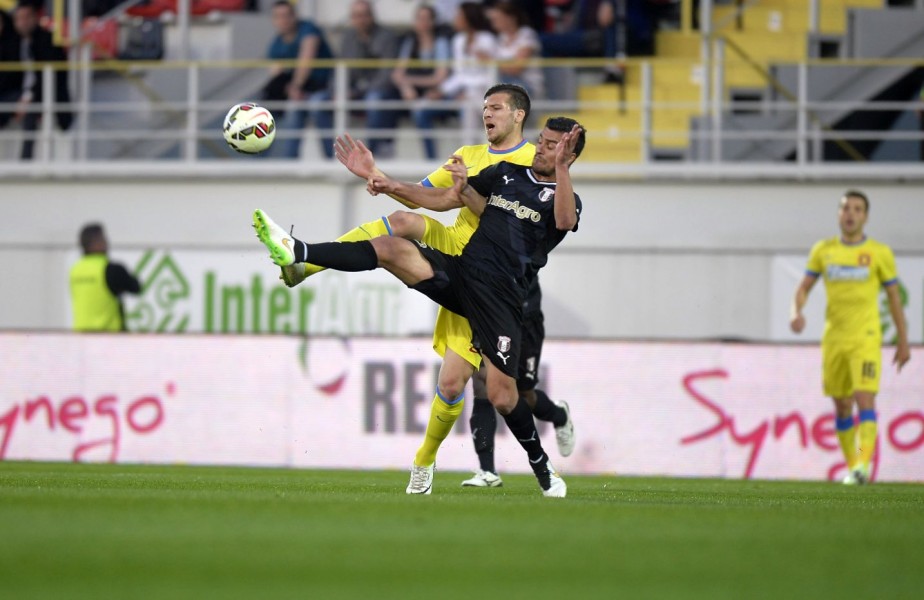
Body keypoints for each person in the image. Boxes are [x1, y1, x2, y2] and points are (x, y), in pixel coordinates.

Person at [253, 116, 585, 497]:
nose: (542, 149)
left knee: (502, 396)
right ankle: (300, 252)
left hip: (501, 299)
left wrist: (561, 169)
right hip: (463, 274)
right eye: (542, 141)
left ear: (569, 155)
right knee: (391, 247)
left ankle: (543, 468)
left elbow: (564, 221)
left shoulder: (565, 198)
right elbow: (450, 200)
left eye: (552, 146)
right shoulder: (507, 172)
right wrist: (445, 187)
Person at [790, 190, 910, 485]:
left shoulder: (879, 253)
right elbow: (804, 287)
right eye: (846, 208)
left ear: (865, 217)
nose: (850, 214)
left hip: (865, 337)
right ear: (838, 214)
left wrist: (903, 340)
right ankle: (854, 465)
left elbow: (894, 297)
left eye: (857, 209)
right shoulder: (823, 250)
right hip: (835, 338)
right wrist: (796, 311)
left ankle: (862, 466)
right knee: (842, 405)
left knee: (864, 397)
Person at [313, 0, 400, 158]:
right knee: (318, 101)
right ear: (352, 18)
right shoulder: (348, 38)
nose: (361, 20)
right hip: (352, 91)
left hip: (379, 91)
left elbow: (387, 75)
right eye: (357, 16)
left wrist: (357, 92)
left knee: (374, 100)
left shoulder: (387, 37)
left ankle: (371, 156)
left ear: (372, 16)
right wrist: (338, 91)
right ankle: (332, 156)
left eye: (365, 15)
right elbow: (339, 69)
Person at [262, 0, 334, 159]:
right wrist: (289, 91)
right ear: (274, 20)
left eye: (286, 15)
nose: (283, 20)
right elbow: (275, 74)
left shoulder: (309, 30)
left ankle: (332, 158)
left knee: (313, 105)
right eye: (278, 16)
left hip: (325, 87)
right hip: (300, 92)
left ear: (295, 16)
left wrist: (295, 88)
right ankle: (273, 159)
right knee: (272, 111)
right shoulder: (277, 43)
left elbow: (306, 60)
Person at [0, 3, 72, 160]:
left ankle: (26, 162)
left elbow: (50, 80)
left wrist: (27, 98)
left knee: (30, 110)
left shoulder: (48, 41)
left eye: (27, 17)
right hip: (18, 95)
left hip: (44, 95)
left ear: (36, 18)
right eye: (19, 18)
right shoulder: (12, 43)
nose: (23, 22)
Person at [391, 3, 452, 160]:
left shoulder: (440, 42)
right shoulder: (410, 42)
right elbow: (397, 74)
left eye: (426, 18)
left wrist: (410, 80)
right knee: (384, 100)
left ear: (433, 21)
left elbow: (440, 77)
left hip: (438, 92)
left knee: (420, 112)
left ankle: (431, 159)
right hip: (415, 94)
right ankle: (383, 148)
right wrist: (406, 87)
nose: (422, 22)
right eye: (419, 18)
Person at [70, 223, 142, 332]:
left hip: (81, 335)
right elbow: (136, 287)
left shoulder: (75, 270)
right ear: (98, 243)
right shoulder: (112, 269)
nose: (106, 243)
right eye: (103, 239)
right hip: (108, 336)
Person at [539, 0, 624, 84]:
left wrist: (608, 5)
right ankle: (550, 83)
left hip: (595, 38)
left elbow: (604, 19)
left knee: (543, 41)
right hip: (577, 34)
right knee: (541, 41)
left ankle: (611, 70)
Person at [486, 1, 544, 98]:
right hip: (505, 83)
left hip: (527, 85)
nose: (494, 24)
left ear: (511, 18)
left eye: (498, 19)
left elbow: (516, 68)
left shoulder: (526, 34)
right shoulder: (501, 38)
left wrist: (490, 62)